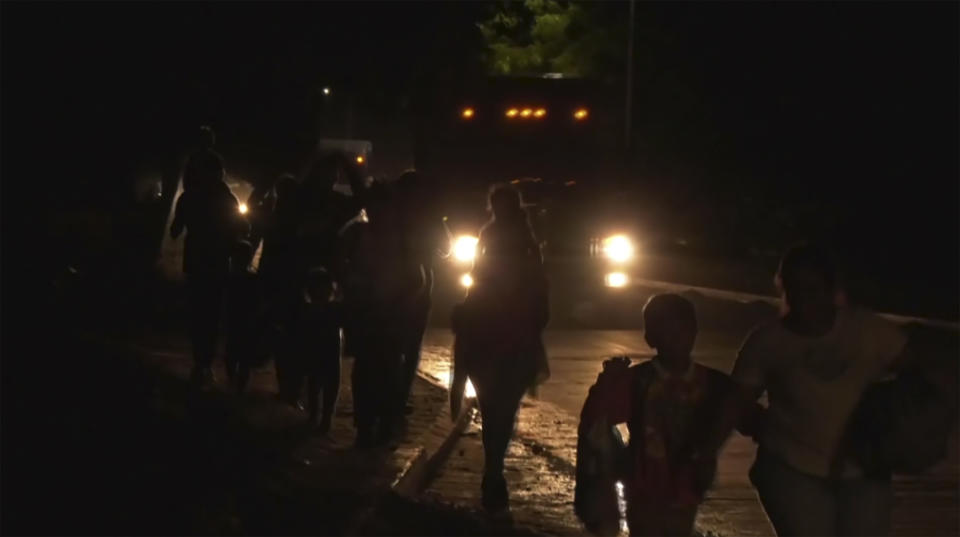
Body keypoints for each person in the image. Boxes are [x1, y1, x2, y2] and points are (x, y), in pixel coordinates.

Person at [731, 242, 914, 536]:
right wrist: (758, 424)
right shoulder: (767, 342)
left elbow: (920, 377)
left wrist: (895, 420)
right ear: (783, 290)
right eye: (794, 290)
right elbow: (735, 403)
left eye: (813, 291)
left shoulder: (868, 332)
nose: (804, 302)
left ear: (832, 291)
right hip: (792, 470)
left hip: (864, 470)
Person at [577, 294, 753, 536]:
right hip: (643, 481)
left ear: (694, 332)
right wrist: (607, 382)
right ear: (651, 337)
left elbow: (739, 411)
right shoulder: (638, 381)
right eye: (667, 331)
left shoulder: (712, 383)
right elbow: (598, 417)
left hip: (687, 480)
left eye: (681, 330)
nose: (676, 339)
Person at [450, 183, 549, 514]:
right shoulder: (522, 240)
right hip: (508, 333)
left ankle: (493, 470)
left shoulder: (507, 239)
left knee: (496, 407)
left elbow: (481, 279)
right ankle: (494, 470)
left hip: (497, 331)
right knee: (502, 409)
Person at [340, 181, 422, 447]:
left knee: (388, 369)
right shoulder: (356, 233)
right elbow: (336, 261)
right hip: (365, 312)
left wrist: (400, 297)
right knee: (365, 370)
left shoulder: (403, 237)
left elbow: (416, 278)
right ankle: (365, 425)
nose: (378, 212)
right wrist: (353, 284)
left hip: (392, 313)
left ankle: (384, 423)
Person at [170, 149, 248, 387]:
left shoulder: (191, 197)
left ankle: (201, 362)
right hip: (216, 263)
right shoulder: (226, 198)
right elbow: (243, 228)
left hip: (198, 262)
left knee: (199, 314)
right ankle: (204, 362)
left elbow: (175, 230)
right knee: (211, 315)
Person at [285, 266, 343, 434]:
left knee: (320, 383)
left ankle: (321, 417)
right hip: (323, 352)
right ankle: (320, 416)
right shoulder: (330, 310)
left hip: (323, 352)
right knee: (319, 383)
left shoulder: (321, 310)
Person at [224, 240, 261, 394]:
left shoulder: (231, 278)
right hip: (243, 321)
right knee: (238, 355)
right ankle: (238, 384)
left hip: (240, 321)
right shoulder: (250, 279)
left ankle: (236, 383)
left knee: (236, 354)